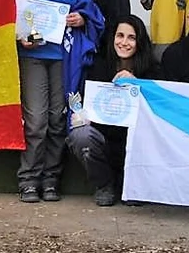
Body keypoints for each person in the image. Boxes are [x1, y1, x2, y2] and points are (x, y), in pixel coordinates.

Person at [14, 0, 98, 203]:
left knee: (57, 119)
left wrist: (79, 18)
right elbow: (13, 11)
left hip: (65, 56)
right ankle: (28, 180)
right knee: (36, 120)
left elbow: (90, 13)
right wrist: (19, 36)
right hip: (33, 53)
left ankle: (50, 179)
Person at [67, 15, 161, 207]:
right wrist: (81, 116)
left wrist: (136, 83)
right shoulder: (99, 67)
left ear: (139, 42)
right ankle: (104, 185)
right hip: (105, 139)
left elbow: (159, 111)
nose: (124, 43)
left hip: (137, 144)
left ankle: (134, 185)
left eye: (131, 38)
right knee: (80, 135)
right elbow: (87, 105)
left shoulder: (153, 71)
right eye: (120, 36)